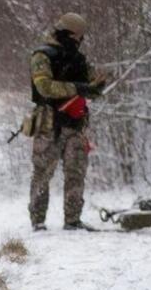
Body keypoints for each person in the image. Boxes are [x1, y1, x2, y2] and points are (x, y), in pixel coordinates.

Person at [27, 12, 108, 231]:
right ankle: (38, 221)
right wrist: (77, 88)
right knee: (43, 173)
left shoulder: (78, 59)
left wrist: (97, 86)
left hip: (75, 123)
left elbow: (93, 84)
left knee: (76, 171)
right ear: (67, 34)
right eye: (76, 39)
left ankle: (73, 220)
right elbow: (45, 87)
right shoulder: (42, 56)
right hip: (48, 124)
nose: (79, 43)